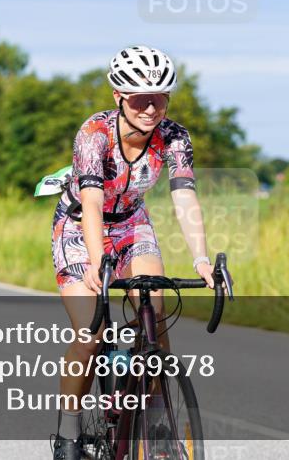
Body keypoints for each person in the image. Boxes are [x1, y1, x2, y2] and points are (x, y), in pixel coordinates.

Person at [49, 45, 215, 460]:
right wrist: (94, 260)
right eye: (140, 97)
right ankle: (69, 433)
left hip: (130, 221)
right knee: (90, 336)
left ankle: (157, 419)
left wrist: (201, 259)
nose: (151, 107)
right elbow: (90, 203)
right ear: (118, 97)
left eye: (161, 97)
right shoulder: (94, 134)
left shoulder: (174, 136)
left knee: (155, 314)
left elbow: (184, 199)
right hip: (80, 224)